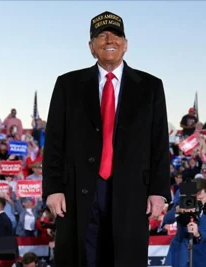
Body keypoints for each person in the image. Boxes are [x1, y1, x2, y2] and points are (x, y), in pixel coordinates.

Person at [43, 10, 170, 267]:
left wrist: (158, 191)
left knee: (123, 258)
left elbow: (159, 144)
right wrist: (53, 188)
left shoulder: (150, 86)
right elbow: (54, 141)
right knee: (82, 257)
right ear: (91, 47)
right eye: (101, 35)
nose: (109, 39)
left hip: (131, 190)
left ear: (125, 45)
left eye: (116, 35)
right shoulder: (67, 84)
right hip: (78, 192)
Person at [161, 178, 206, 267]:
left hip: (201, 257)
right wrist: (178, 210)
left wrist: (198, 234)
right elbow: (166, 219)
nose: (197, 201)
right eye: (195, 198)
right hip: (180, 253)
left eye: (201, 198)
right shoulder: (183, 202)